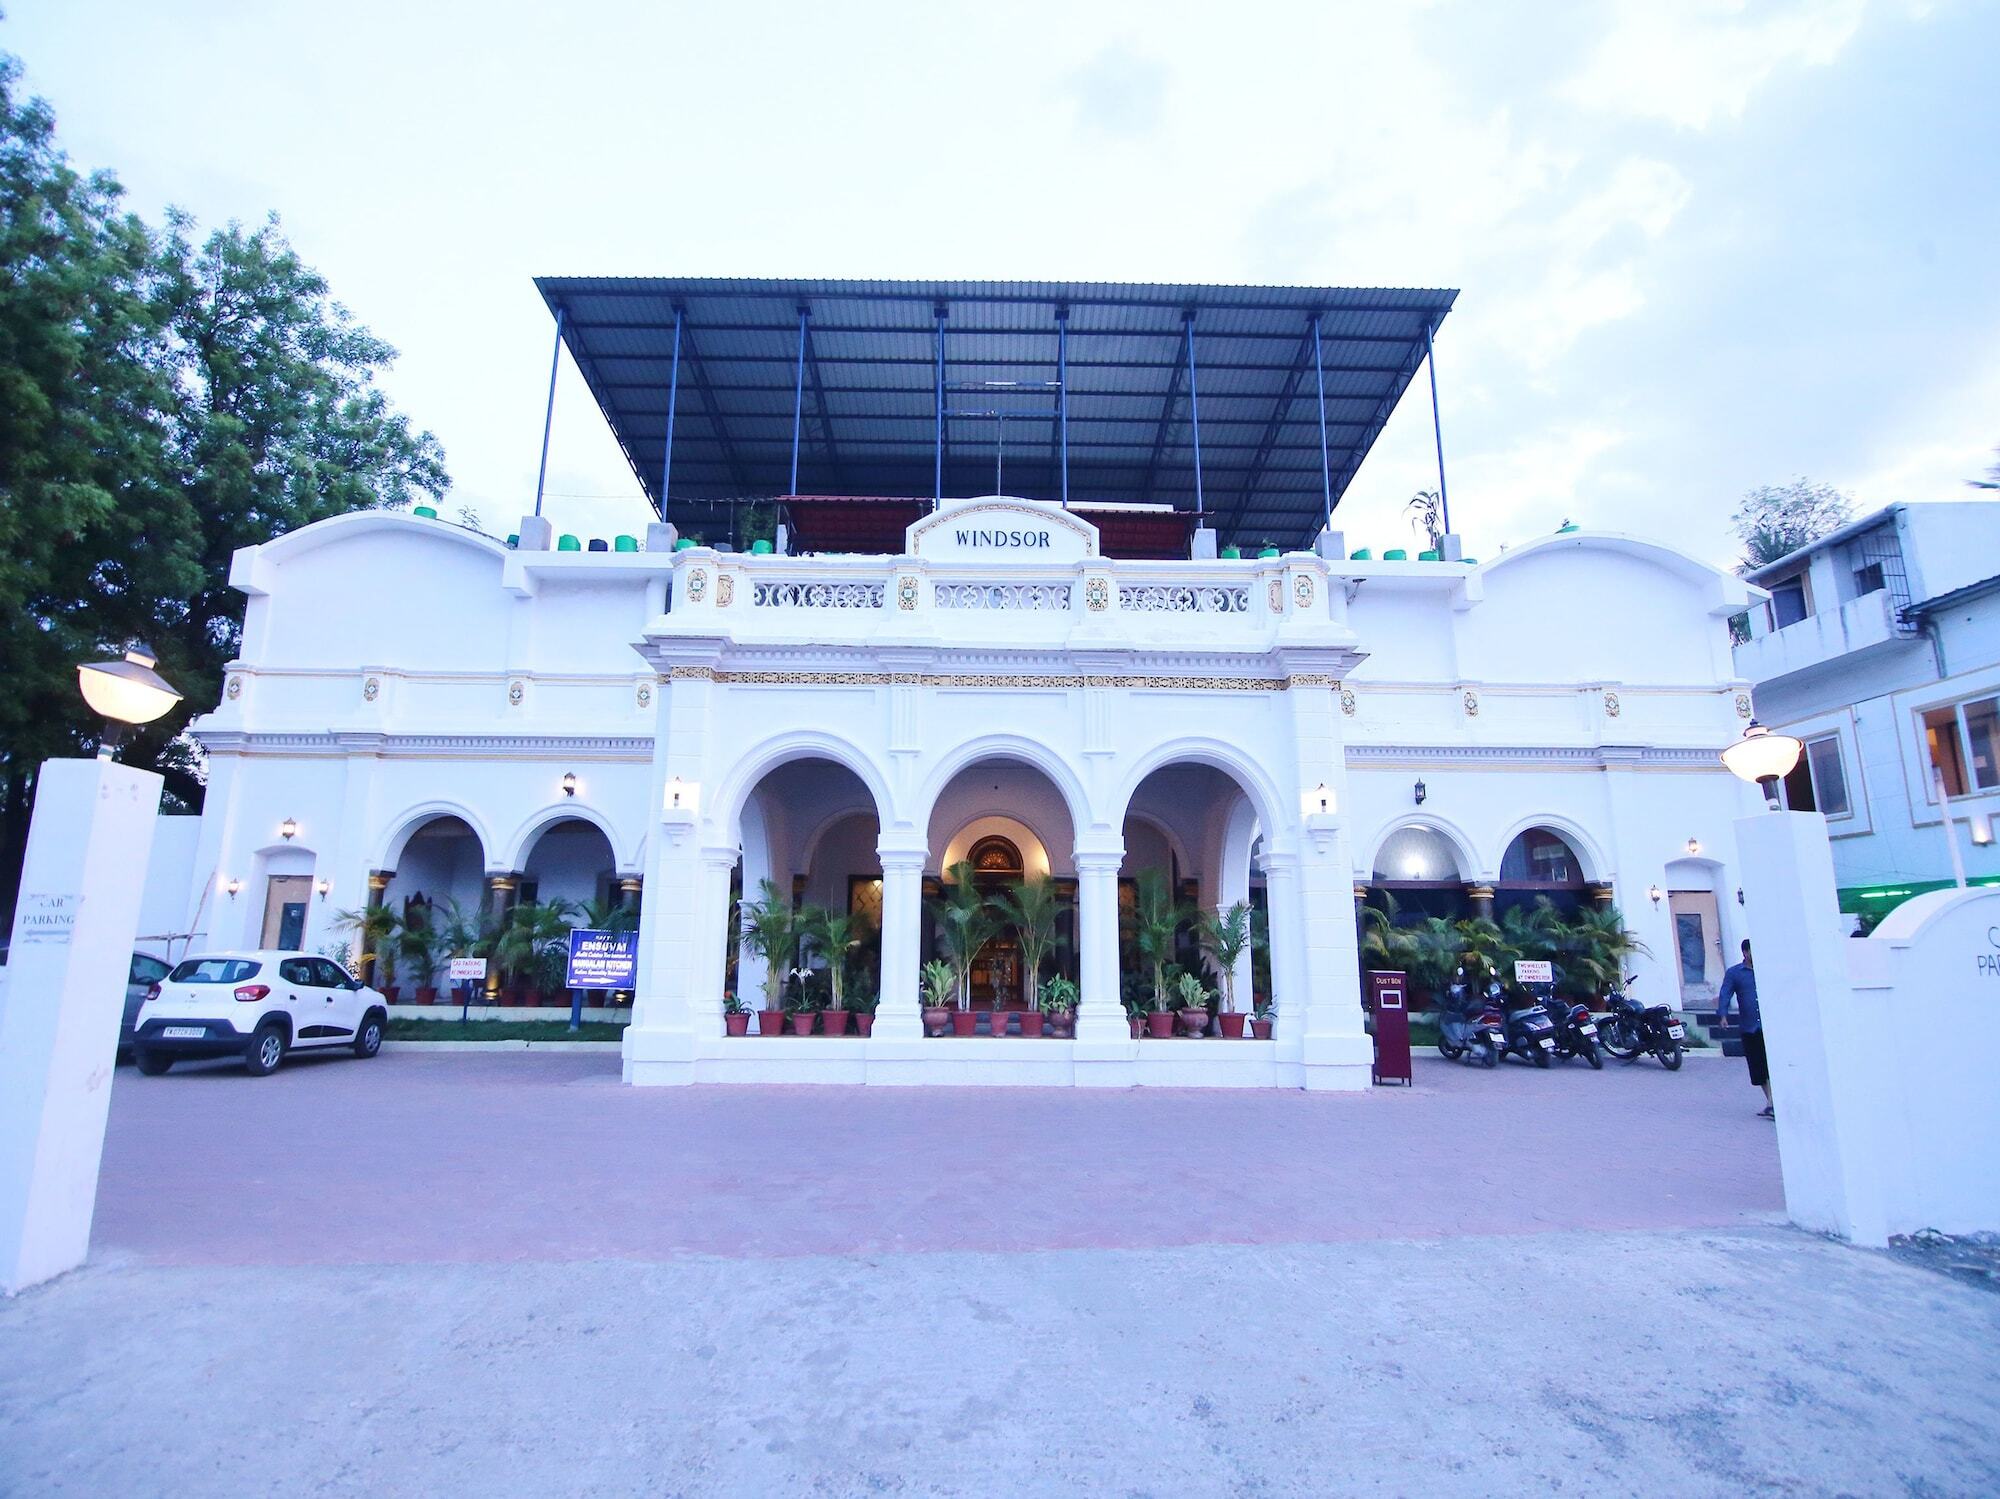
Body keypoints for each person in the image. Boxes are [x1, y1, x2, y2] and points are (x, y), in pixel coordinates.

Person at [1715, 939, 1771, 1118]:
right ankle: (1771, 1102)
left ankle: (1772, 1104)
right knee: (1759, 1067)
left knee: (1772, 1065)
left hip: (1770, 1027)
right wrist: (1723, 1015)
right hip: (1750, 1026)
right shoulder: (1734, 973)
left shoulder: (1768, 969)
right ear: (1745, 953)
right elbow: (1725, 994)